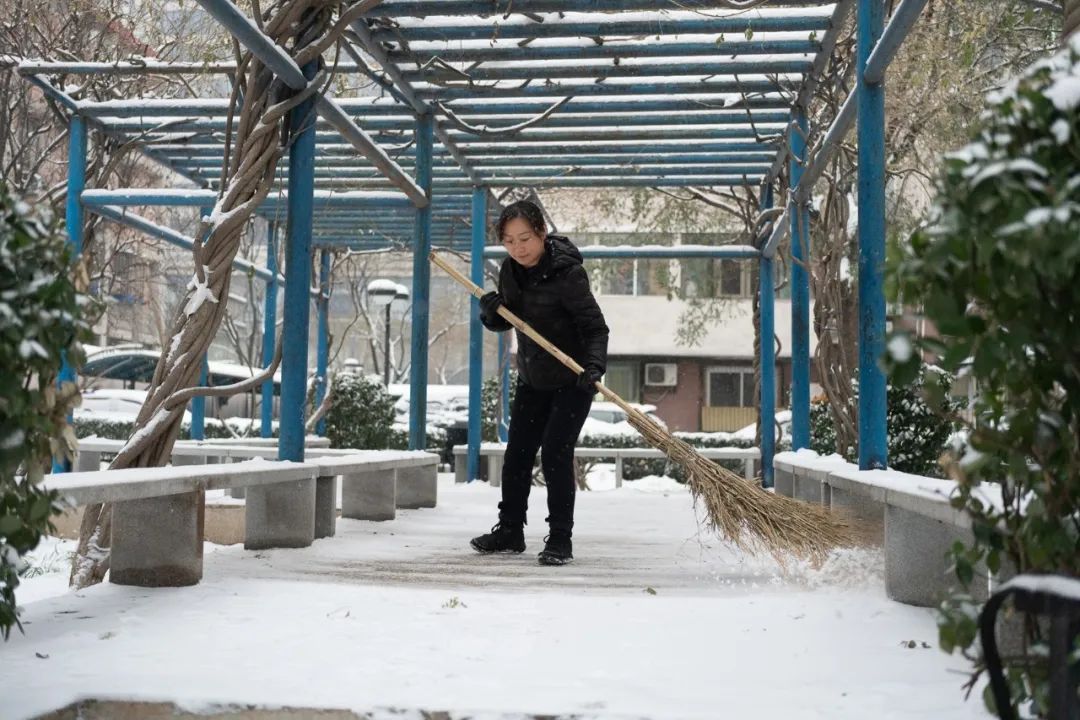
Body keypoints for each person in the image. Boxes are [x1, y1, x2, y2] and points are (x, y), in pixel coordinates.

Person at [470, 200, 609, 566]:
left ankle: (560, 538)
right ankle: (510, 530)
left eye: (525, 238)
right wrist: (491, 313)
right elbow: (511, 318)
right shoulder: (509, 271)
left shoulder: (568, 275)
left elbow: (596, 328)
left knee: (555, 453)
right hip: (533, 378)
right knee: (517, 453)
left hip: (573, 379)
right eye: (509, 241)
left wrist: (594, 366)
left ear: (542, 233)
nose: (518, 248)